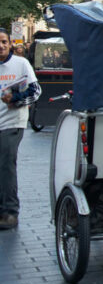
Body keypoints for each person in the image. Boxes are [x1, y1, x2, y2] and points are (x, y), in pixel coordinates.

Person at [0, 28, 41, 230]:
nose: (1, 46)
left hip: (12, 122)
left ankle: (10, 212)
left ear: (10, 44)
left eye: (4, 42)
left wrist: (15, 99)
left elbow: (36, 92)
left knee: (6, 165)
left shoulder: (21, 64)